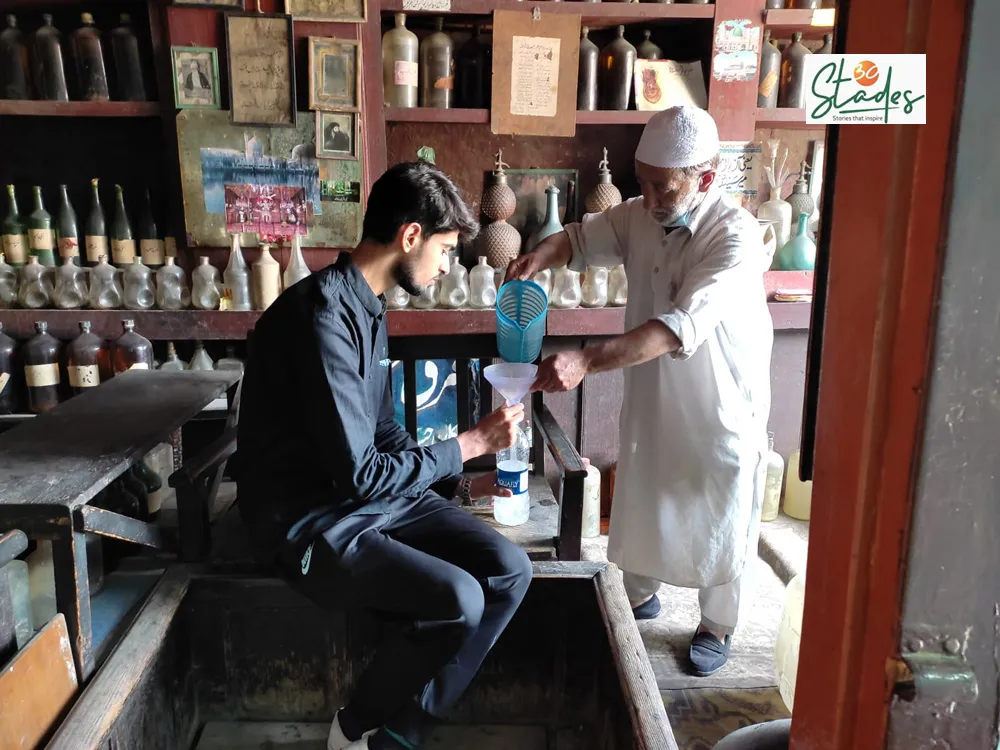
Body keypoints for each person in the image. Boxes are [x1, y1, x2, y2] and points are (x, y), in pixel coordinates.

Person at [238, 161, 533, 750]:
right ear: (410, 236)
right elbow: (360, 473)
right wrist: (468, 445)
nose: (448, 265)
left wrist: (448, 480)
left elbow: (380, 430)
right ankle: (350, 727)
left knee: (508, 570)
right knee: (459, 598)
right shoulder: (321, 317)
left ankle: (404, 731)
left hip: (364, 497)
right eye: (446, 250)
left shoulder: (366, 305)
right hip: (306, 517)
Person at [506, 106, 773, 677]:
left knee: (722, 500)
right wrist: (539, 260)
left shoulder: (735, 236)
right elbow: (577, 240)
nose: (648, 197)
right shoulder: (639, 214)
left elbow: (676, 327)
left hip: (718, 399)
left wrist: (584, 360)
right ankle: (643, 594)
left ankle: (716, 624)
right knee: (646, 485)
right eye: (642, 180)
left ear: (705, 177)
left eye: (661, 185)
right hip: (656, 395)